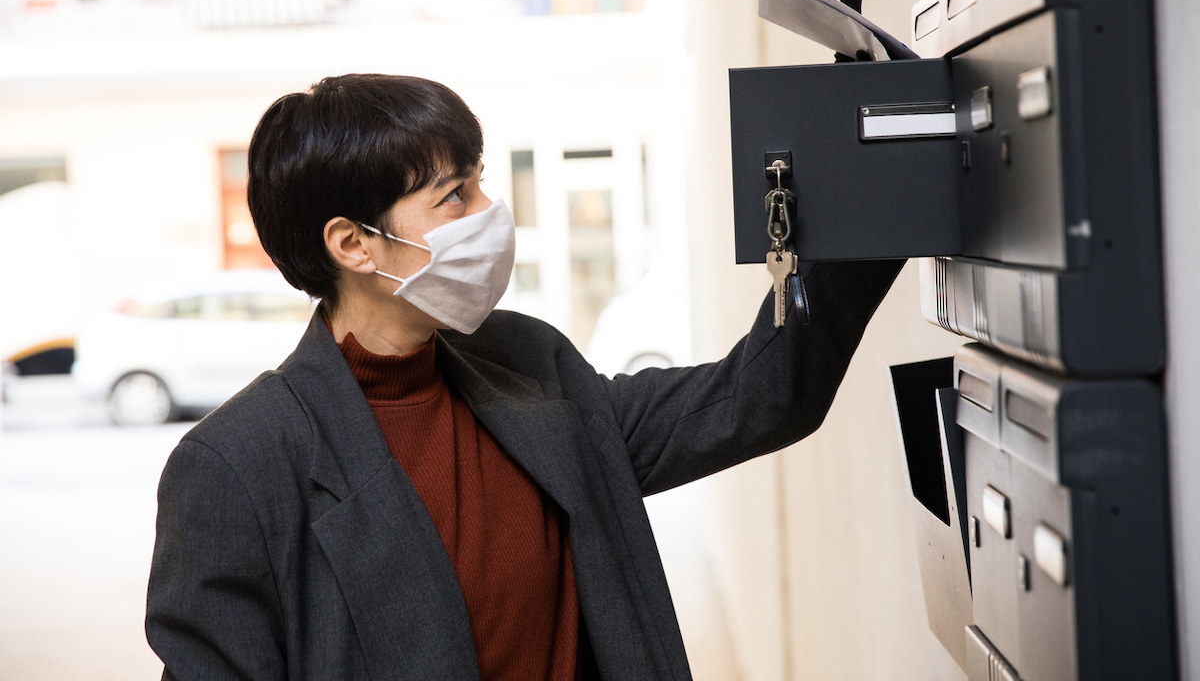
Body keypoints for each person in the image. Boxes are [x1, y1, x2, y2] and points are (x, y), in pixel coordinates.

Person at [145, 73, 902, 680]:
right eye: (455, 195)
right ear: (353, 245)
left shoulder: (528, 364)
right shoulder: (234, 468)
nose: (490, 211)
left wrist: (858, 182)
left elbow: (757, 397)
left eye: (479, 181)